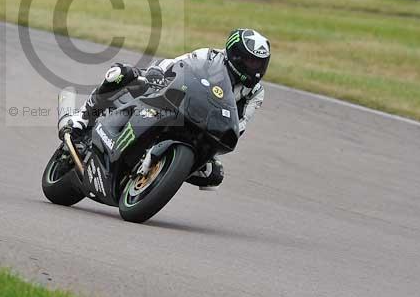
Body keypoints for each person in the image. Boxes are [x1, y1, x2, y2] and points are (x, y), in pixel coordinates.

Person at [58, 28, 270, 190]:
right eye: (251, 61)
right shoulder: (210, 57)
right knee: (120, 73)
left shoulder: (255, 93)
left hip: (204, 128)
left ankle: (161, 174)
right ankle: (82, 118)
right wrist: (156, 74)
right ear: (236, 55)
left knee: (214, 174)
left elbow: (240, 125)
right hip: (174, 98)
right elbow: (178, 64)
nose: (255, 68)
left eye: (259, 63)